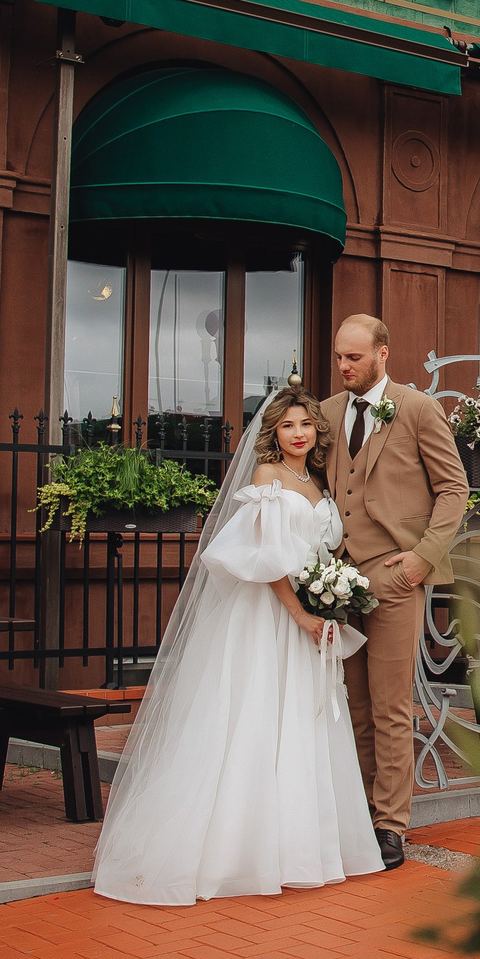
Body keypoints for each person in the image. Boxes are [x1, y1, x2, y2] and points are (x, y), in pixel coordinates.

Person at [91, 387, 383, 904]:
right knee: (255, 716)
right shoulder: (266, 478)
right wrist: (300, 613)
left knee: (300, 720)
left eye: (306, 425)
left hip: (311, 617)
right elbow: (267, 559)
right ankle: (238, 852)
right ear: (273, 432)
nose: (298, 434)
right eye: (288, 425)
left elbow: (320, 550)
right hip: (269, 617)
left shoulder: (315, 479)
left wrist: (331, 597)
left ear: (317, 431)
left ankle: (301, 844)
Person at [323, 314, 468, 870]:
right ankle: (359, 811)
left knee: (391, 707)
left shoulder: (417, 408)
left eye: (354, 358)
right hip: (339, 579)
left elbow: (454, 489)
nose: (343, 367)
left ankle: (390, 825)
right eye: (339, 357)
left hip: (395, 574)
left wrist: (420, 561)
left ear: (383, 353)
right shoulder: (329, 414)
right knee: (353, 705)